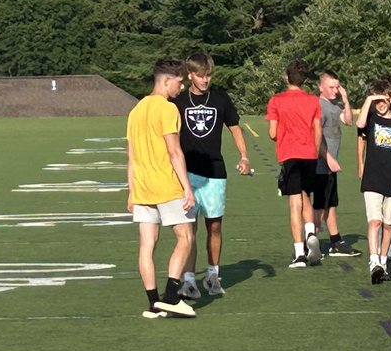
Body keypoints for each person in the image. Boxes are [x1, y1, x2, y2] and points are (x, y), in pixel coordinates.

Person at [174, 51, 249, 299]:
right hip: (187, 173)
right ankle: (188, 280)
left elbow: (235, 128)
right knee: (189, 229)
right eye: (201, 76)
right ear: (190, 74)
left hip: (215, 171)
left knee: (214, 225)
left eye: (209, 76)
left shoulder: (220, 98)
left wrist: (244, 155)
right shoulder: (178, 102)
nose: (206, 80)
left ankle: (212, 274)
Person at [126, 58, 197, 319]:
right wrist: (187, 187)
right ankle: (170, 297)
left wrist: (131, 190)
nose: (181, 87)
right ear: (166, 81)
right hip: (166, 186)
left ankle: (153, 303)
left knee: (147, 245)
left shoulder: (136, 111)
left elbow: (130, 156)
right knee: (186, 238)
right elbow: (174, 151)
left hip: (143, 189)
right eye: (179, 82)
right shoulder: (167, 109)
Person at [267, 60, 324, 268]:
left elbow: (272, 133)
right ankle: (310, 230)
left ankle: (299, 253)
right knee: (305, 196)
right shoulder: (313, 101)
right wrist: (315, 151)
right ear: (305, 80)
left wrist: (281, 133)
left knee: (294, 203)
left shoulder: (276, 100)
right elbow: (318, 129)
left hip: (289, 154)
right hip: (309, 154)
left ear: (286, 77)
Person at [355, 77, 391, 284]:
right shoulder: (371, 115)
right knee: (374, 220)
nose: (381, 105)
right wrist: (370, 99)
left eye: (384, 100)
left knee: (389, 222)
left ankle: (383, 260)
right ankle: (374, 261)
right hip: (374, 175)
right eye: (377, 101)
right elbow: (359, 125)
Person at [315, 69, 360, 257]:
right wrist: (329, 159)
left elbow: (349, 121)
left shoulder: (334, 106)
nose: (335, 90)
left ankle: (335, 242)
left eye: (337, 87)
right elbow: (314, 139)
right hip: (320, 165)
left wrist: (345, 99)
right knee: (318, 206)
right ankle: (309, 243)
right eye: (331, 87)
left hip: (331, 166)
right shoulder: (318, 106)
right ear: (321, 87)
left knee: (331, 204)